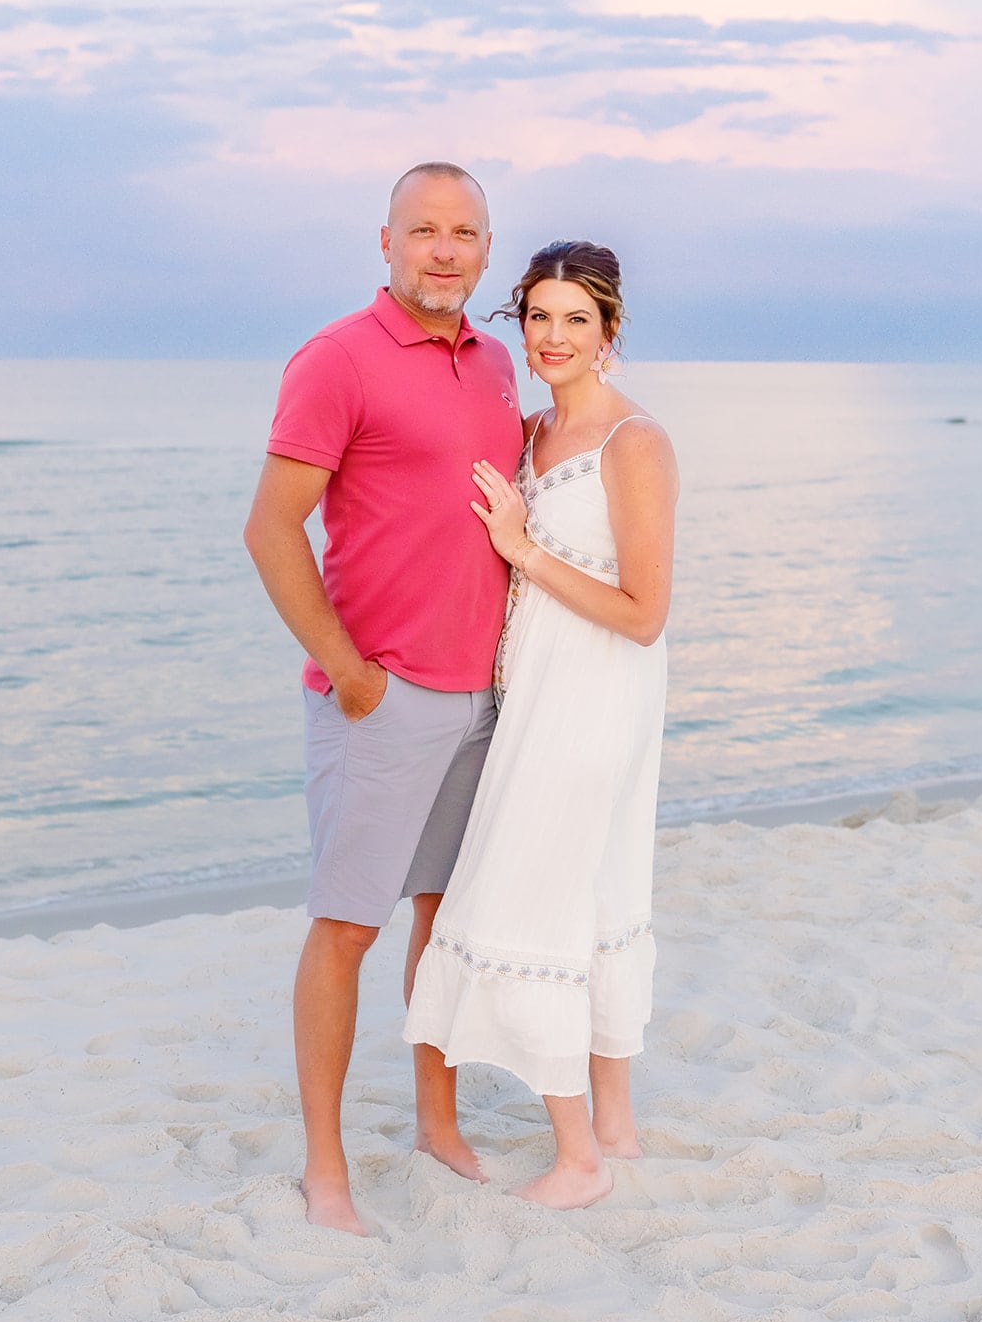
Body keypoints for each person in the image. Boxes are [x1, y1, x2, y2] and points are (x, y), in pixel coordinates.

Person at [244, 163, 523, 1234]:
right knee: (347, 927)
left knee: (443, 922)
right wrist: (350, 671)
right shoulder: (336, 357)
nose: (443, 251)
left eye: (464, 232)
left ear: (486, 248)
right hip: (381, 700)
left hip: (481, 700)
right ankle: (325, 1167)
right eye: (423, 231)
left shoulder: (493, 361)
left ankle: (436, 1125)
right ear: (386, 241)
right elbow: (271, 527)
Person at [404, 240, 678, 1209]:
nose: (553, 336)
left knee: (529, 899)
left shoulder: (632, 443)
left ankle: (578, 1160)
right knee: (593, 897)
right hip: (537, 691)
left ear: (608, 331)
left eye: (575, 319)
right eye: (538, 316)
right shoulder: (530, 433)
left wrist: (521, 550)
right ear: (518, 324)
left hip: (593, 701)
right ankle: (614, 1127)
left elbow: (643, 614)